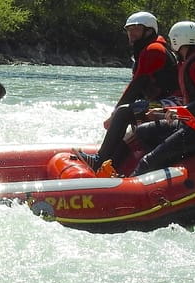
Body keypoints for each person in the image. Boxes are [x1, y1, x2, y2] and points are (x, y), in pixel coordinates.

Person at [75, 11, 179, 171]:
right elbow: (137, 86)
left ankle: (99, 160)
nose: (131, 34)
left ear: (149, 31)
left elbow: (136, 86)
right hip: (159, 102)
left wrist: (115, 113)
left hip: (173, 104)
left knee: (124, 113)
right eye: (129, 30)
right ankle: (110, 166)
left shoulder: (154, 50)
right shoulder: (144, 51)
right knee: (128, 121)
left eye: (136, 29)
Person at [128, 20, 195, 176]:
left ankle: (148, 173)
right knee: (143, 132)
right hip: (191, 124)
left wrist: (180, 112)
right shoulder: (194, 60)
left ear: (178, 40)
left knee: (147, 161)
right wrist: (164, 111)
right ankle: (166, 164)